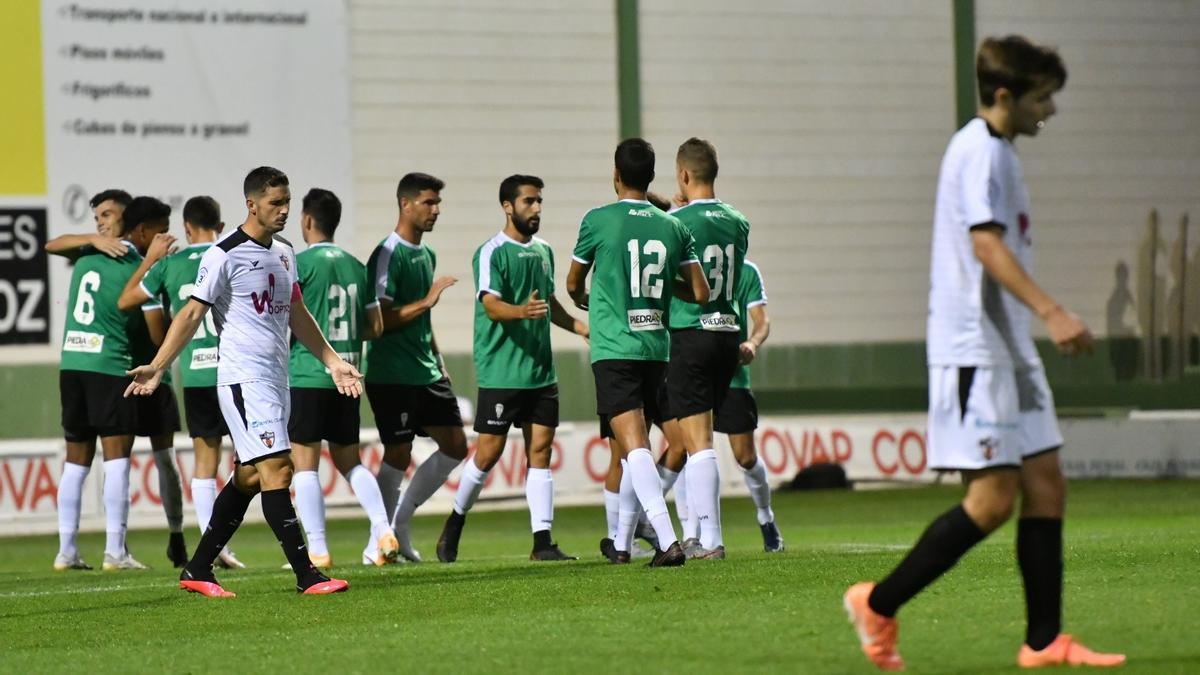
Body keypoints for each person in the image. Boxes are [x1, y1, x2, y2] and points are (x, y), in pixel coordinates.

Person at [843, 36, 1125, 670]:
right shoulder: (979, 152)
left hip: (1007, 350)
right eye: (1042, 97)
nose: (1049, 110)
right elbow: (985, 247)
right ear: (1006, 96)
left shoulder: (1003, 152)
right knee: (993, 501)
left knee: (1046, 484)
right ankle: (878, 604)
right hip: (974, 348)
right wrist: (1052, 312)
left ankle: (1045, 640)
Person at [126, 166, 358, 597]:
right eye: (275, 203)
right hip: (242, 379)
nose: (284, 210)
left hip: (277, 378)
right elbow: (192, 313)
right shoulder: (223, 253)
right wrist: (158, 366)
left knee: (250, 477)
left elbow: (297, 313)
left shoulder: (287, 252)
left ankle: (197, 569)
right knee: (278, 469)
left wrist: (332, 361)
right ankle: (308, 574)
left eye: (287, 201)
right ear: (250, 205)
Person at [565, 137, 708, 567]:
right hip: (657, 347)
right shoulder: (673, 225)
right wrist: (664, 285)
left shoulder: (597, 220)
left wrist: (584, 299)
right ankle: (622, 544)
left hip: (615, 346)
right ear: (652, 177)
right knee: (639, 448)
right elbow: (699, 292)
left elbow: (573, 283)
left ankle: (667, 542)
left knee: (634, 445)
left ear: (615, 173)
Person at [435, 175, 588, 563]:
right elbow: (490, 304)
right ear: (508, 206)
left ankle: (543, 542)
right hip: (502, 372)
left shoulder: (544, 251)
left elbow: (548, 305)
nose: (536, 209)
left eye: (539, 202)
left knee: (541, 450)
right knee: (488, 453)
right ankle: (455, 521)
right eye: (529, 202)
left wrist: (583, 328)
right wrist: (521, 312)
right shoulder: (491, 252)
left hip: (541, 372)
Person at [118, 195, 244, 570]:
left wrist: (151, 262)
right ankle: (298, 543)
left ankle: (212, 542)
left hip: (196, 376)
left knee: (205, 463)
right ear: (219, 226)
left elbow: (126, 299)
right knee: (256, 460)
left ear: (186, 229)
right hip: (236, 372)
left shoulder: (171, 265)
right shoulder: (231, 255)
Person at [52, 190, 169, 571]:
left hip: (72, 364)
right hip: (106, 366)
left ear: (127, 220)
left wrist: (91, 242)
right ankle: (114, 551)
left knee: (77, 459)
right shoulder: (130, 261)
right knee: (116, 457)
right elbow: (138, 313)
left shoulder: (87, 255)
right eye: (97, 217)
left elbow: (52, 245)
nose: (100, 222)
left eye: (107, 215)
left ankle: (67, 551)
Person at [286, 188, 397, 569]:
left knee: (304, 464)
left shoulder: (298, 264)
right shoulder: (356, 265)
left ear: (307, 221)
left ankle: (317, 549)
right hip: (349, 375)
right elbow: (376, 326)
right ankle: (383, 528)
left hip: (309, 374)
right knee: (350, 460)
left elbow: (289, 320)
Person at [365, 172, 466, 562]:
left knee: (456, 446)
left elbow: (424, 320)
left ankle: (400, 523)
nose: (435, 210)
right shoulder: (387, 254)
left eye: (437, 203)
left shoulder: (427, 254)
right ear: (405, 204)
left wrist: (439, 360)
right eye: (428, 202)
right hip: (392, 374)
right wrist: (425, 302)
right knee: (398, 453)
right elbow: (378, 322)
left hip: (426, 370)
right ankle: (379, 539)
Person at [656, 138, 749, 561]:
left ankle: (710, 539)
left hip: (691, 332)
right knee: (703, 439)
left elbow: (686, 275)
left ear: (683, 175)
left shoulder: (677, 223)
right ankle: (697, 533)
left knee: (698, 444)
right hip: (728, 332)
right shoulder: (738, 221)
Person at [669, 259, 783, 555]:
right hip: (691, 369)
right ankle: (691, 533)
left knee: (745, 457)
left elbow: (762, 320)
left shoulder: (744, 270)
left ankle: (766, 517)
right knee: (686, 449)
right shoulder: (681, 267)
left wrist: (753, 343)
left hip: (732, 375)